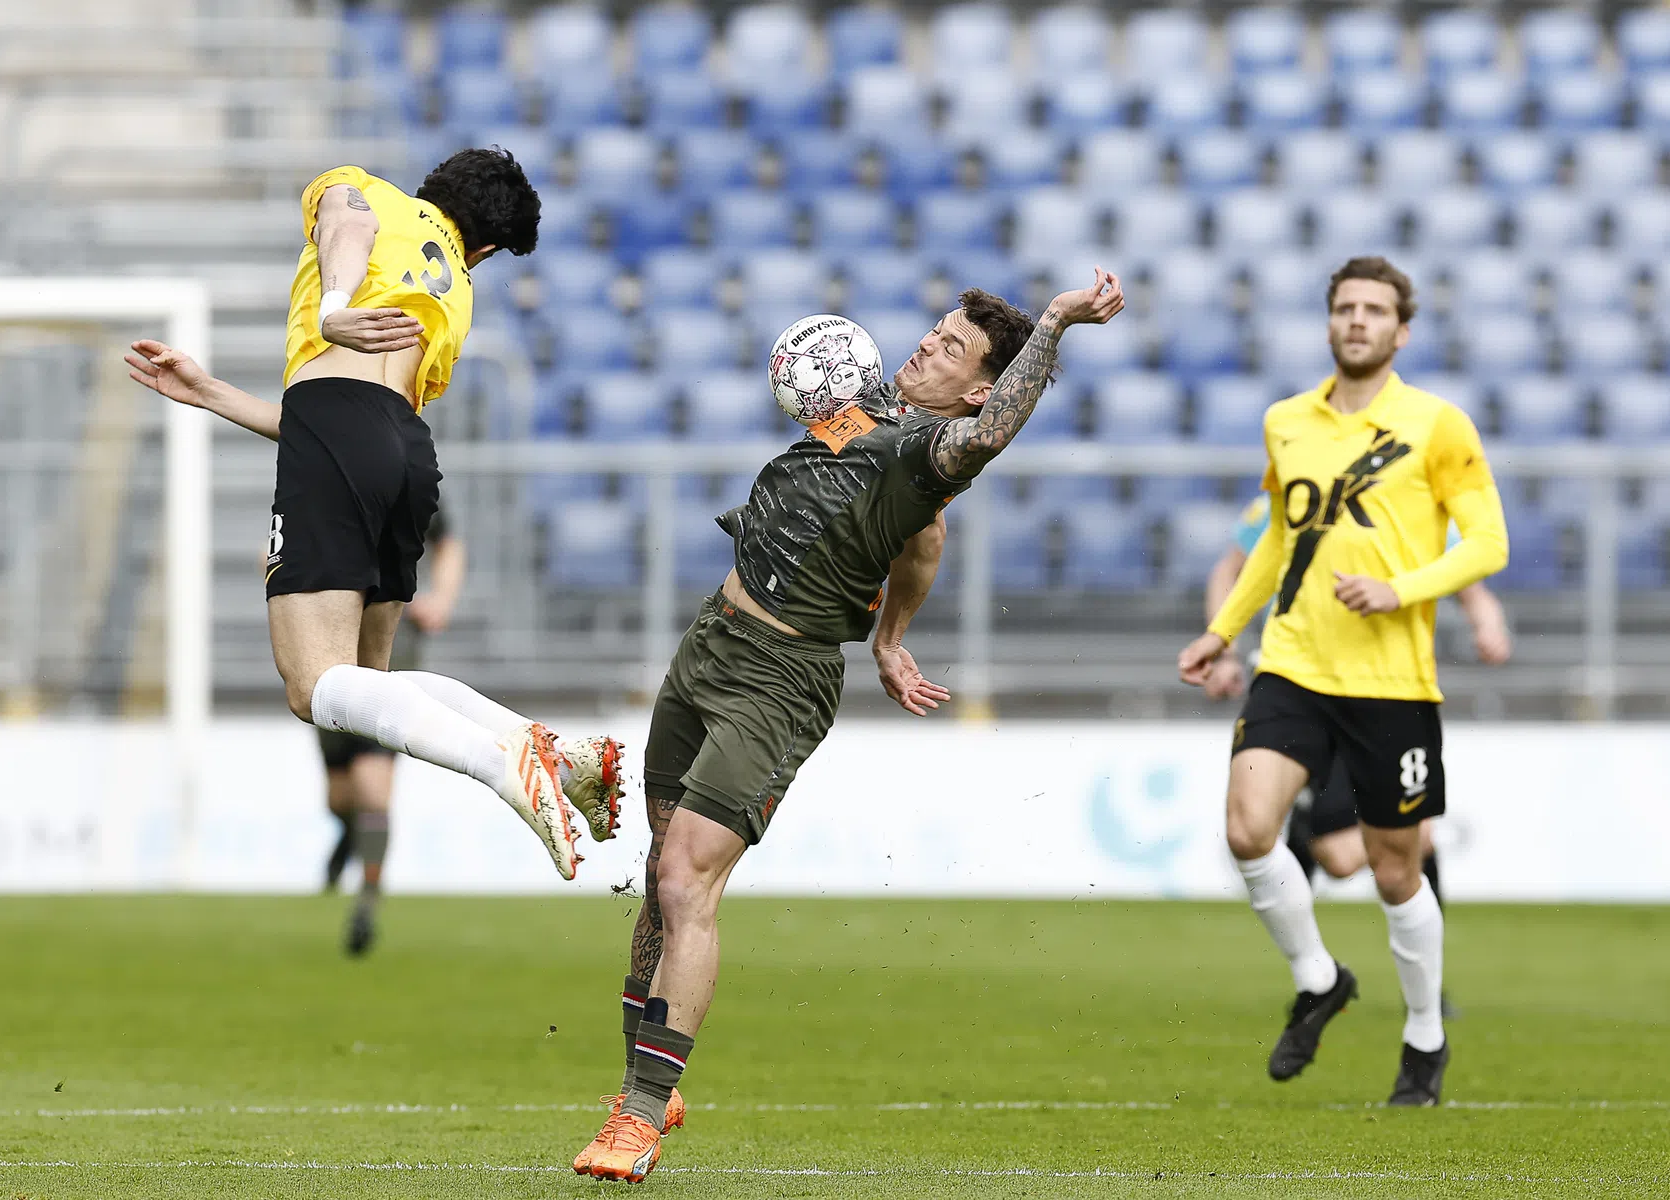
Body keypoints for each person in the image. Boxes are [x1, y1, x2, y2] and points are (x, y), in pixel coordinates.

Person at [573, 273, 1128, 1183]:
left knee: (686, 880)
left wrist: (1058, 321)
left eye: (954, 348)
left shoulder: (933, 451)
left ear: (978, 389)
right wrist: (892, 639)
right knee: (661, 868)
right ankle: (645, 1079)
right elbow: (925, 544)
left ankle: (637, 1117)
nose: (929, 343)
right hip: (709, 645)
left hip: (777, 680)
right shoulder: (867, 416)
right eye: (937, 328)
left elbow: (988, 441)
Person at [125, 149, 623, 880]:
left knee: (313, 686)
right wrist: (212, 394)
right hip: (405, 450)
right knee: (369, 682)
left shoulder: (366, 192)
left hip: (340, 429)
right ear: (483, 249)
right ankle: (548, 749)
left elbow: (345, 225)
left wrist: (333, 310)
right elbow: (355, 419)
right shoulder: (456, 292)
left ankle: (502, 767)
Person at [1178, 256, 1508, 1108]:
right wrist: (1222, 633)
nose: (1358, 319)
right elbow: (1277, 542)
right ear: (1329, 323)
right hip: (1293, 665)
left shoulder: (1438, 425)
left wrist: (1402, 589)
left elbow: (1488, 543)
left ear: (1402, 330)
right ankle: (1320, 980)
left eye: (1375, 309)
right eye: (1345, 307)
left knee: (1396, 874)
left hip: (1392, 681)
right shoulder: (1287, 422)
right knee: (1248, 829)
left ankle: (1424, 1035)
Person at [1203, 493, 1512, 894]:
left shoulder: (1416, 503)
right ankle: (1308, 828)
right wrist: (1224, 650)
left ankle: (1429, 934)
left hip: (1393, 690)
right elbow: (1229, 571)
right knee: (1342, 857)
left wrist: (1489, 627)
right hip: (1304, 686)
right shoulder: (1295, 490)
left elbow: (1473, 591)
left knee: (1413, 835)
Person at [322, 507, 464, 957]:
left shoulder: (405, 480)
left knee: (372, 787)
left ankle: (366, 903)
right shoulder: (319, 482)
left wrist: (441, 599)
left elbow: (447, 542)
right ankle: (350, 835)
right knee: (339, 798)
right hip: (327, 654)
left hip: (388, 652)